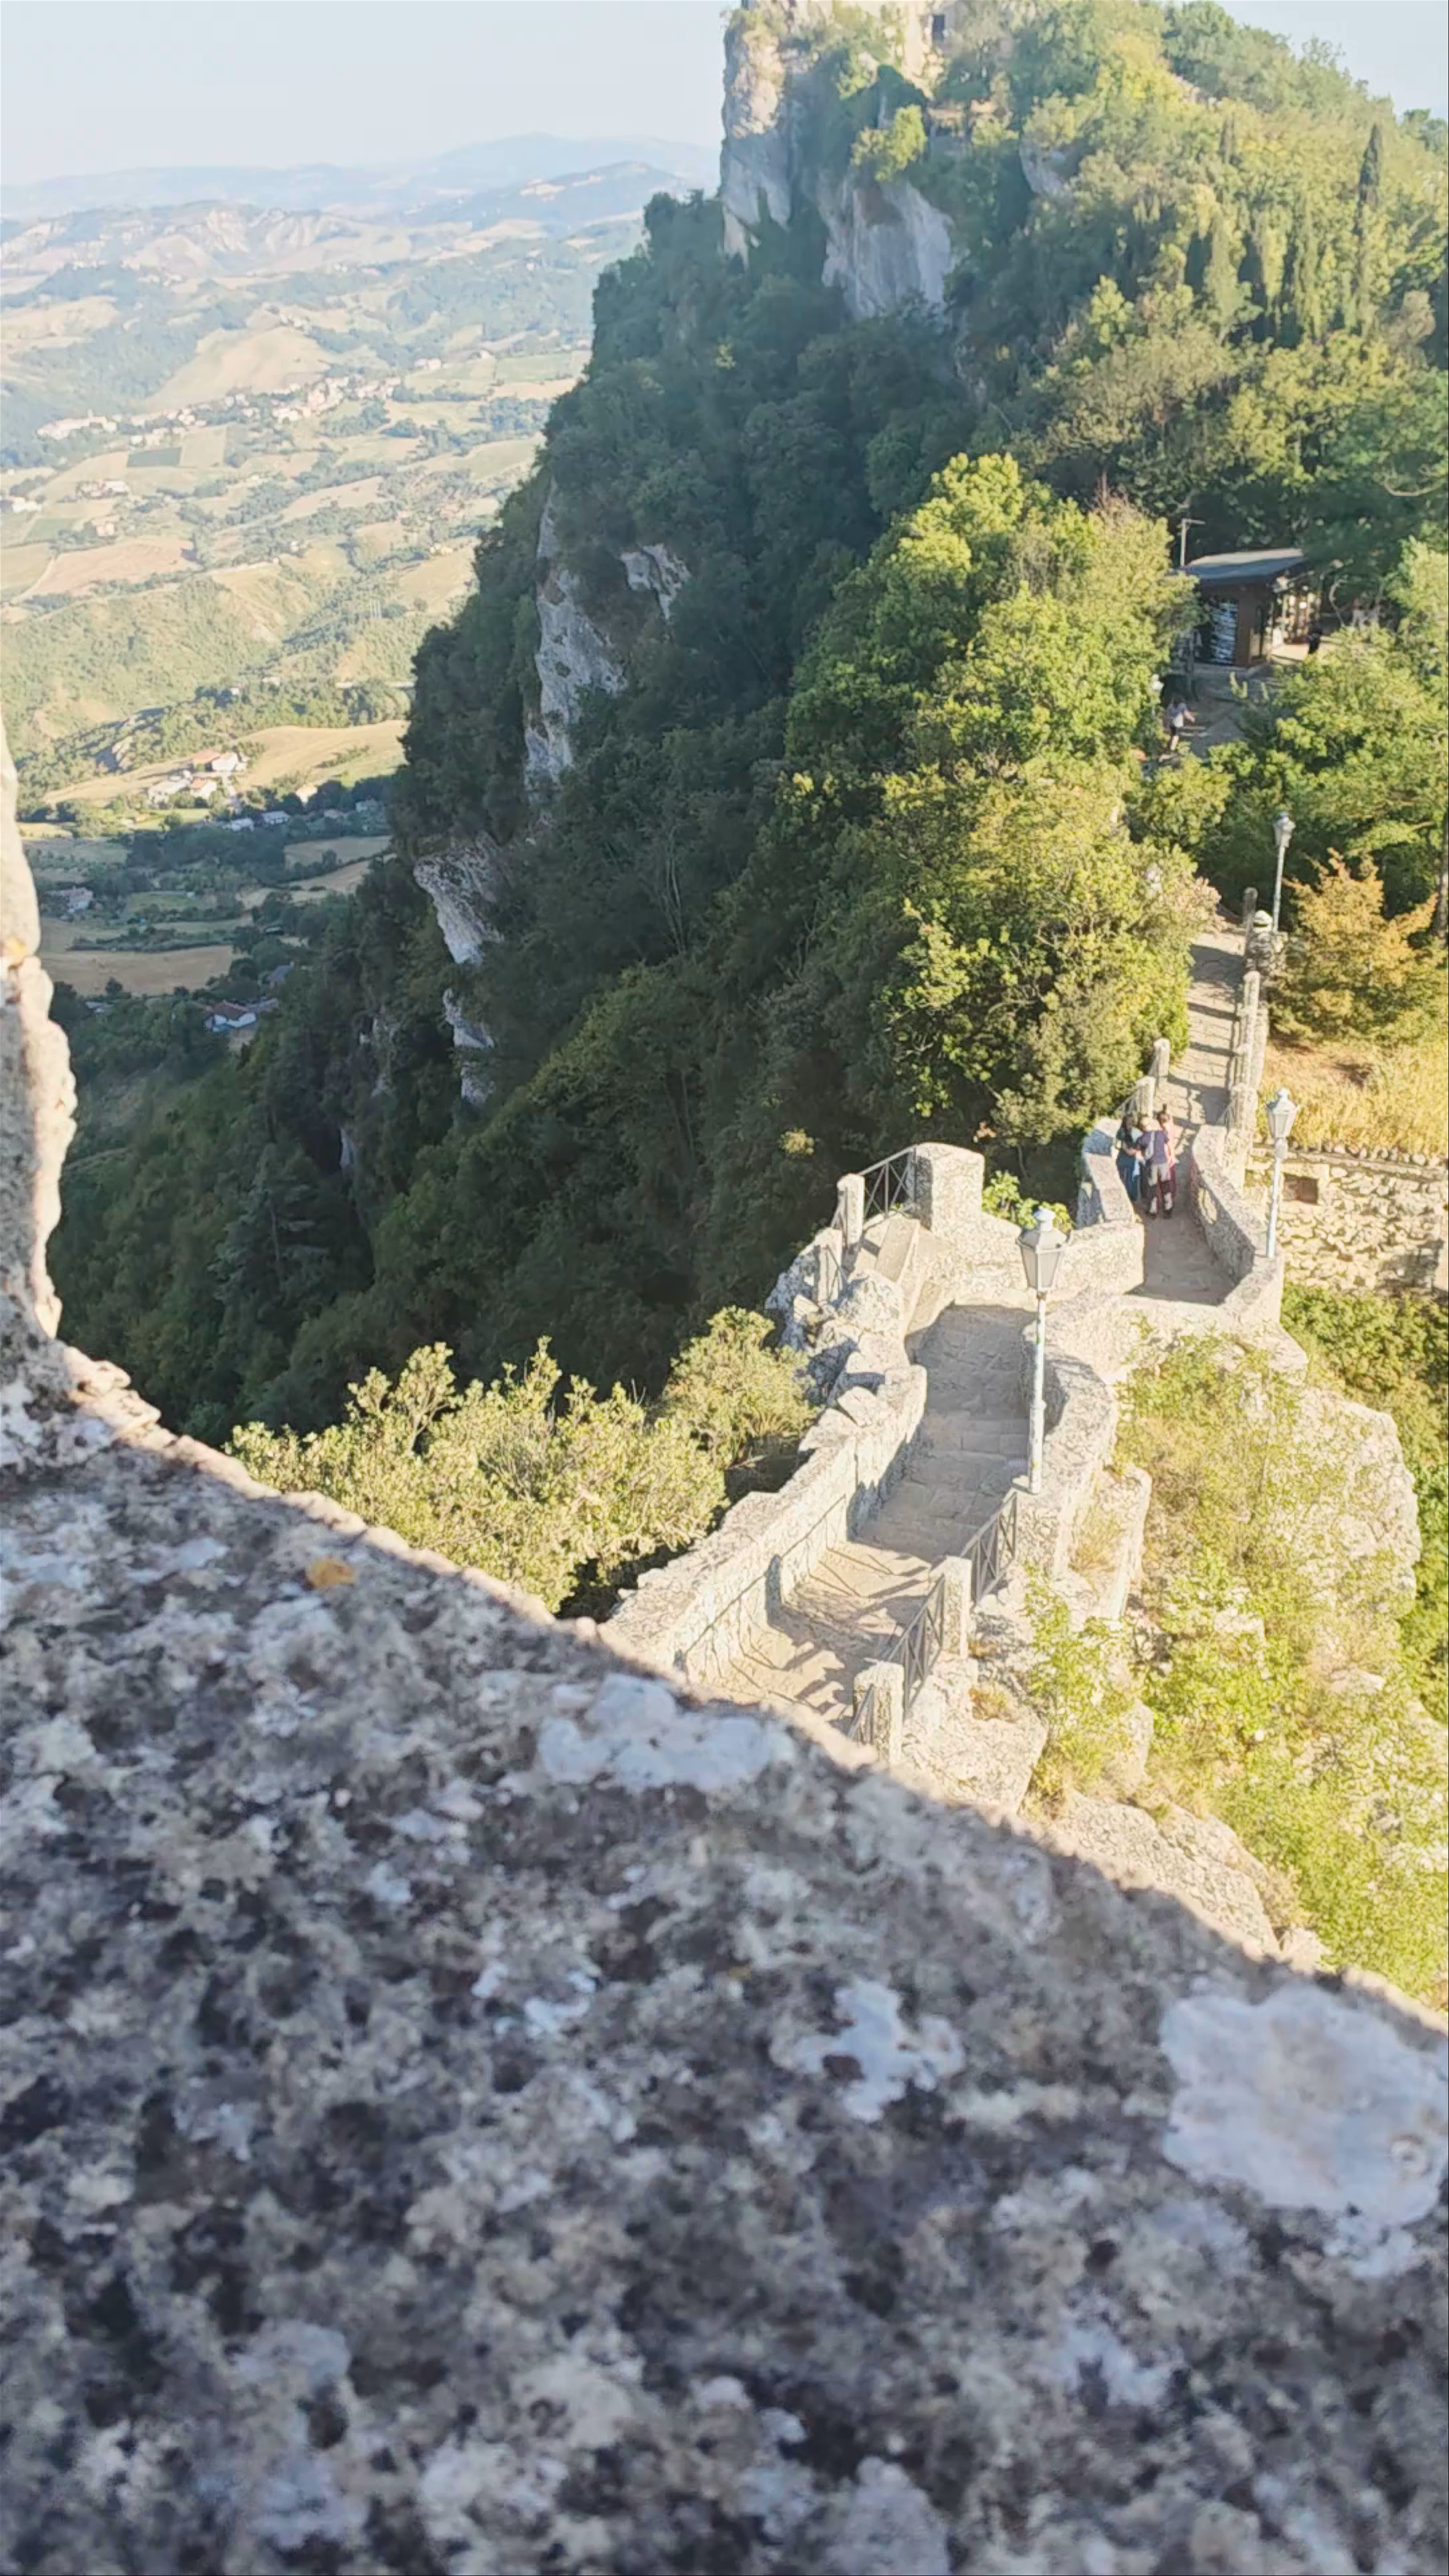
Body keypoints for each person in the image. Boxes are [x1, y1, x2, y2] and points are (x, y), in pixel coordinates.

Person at [1115, 1105, 1146, 1211]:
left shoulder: (1121, 1132)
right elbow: (1143, 1144)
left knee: (1124, 1179)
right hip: (1132, 1160)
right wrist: (1136, 1151)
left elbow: (1118, 1145)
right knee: (1132, 1180)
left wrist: (1127, 1148)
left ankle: (1126, 1199)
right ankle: (1132, 1200)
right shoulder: (1137, 1133)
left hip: (1124, 1159)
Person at [1146, 1107, 1176, 1218]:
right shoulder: (1168, 1131)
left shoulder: (1155, 1133)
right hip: (1166, 1161)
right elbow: (1170, 1145)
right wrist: (1172, 1157)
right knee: (1167, 1184)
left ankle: (1154, 1210)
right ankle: (1168, 1208)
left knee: (1154, 1185)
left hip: (1156, 1162)